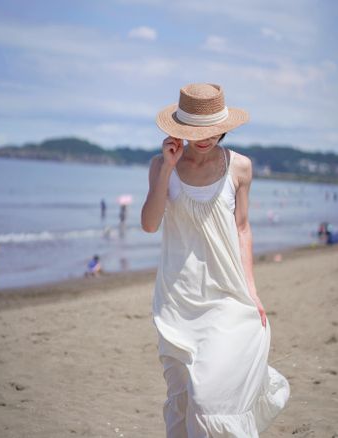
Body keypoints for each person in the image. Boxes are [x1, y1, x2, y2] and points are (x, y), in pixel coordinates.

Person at [141, 83, 290, 437]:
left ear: (223, 126)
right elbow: (149, 224)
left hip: (225, 295)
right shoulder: (161, 165)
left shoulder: (240, 167)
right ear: (180, 129)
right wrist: (167, 169)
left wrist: (252, 290)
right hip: (176, 299)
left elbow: (242, 228)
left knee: (209, 400)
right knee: (180, 400)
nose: (203, 138)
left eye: (209, 131)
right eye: (194, 131)